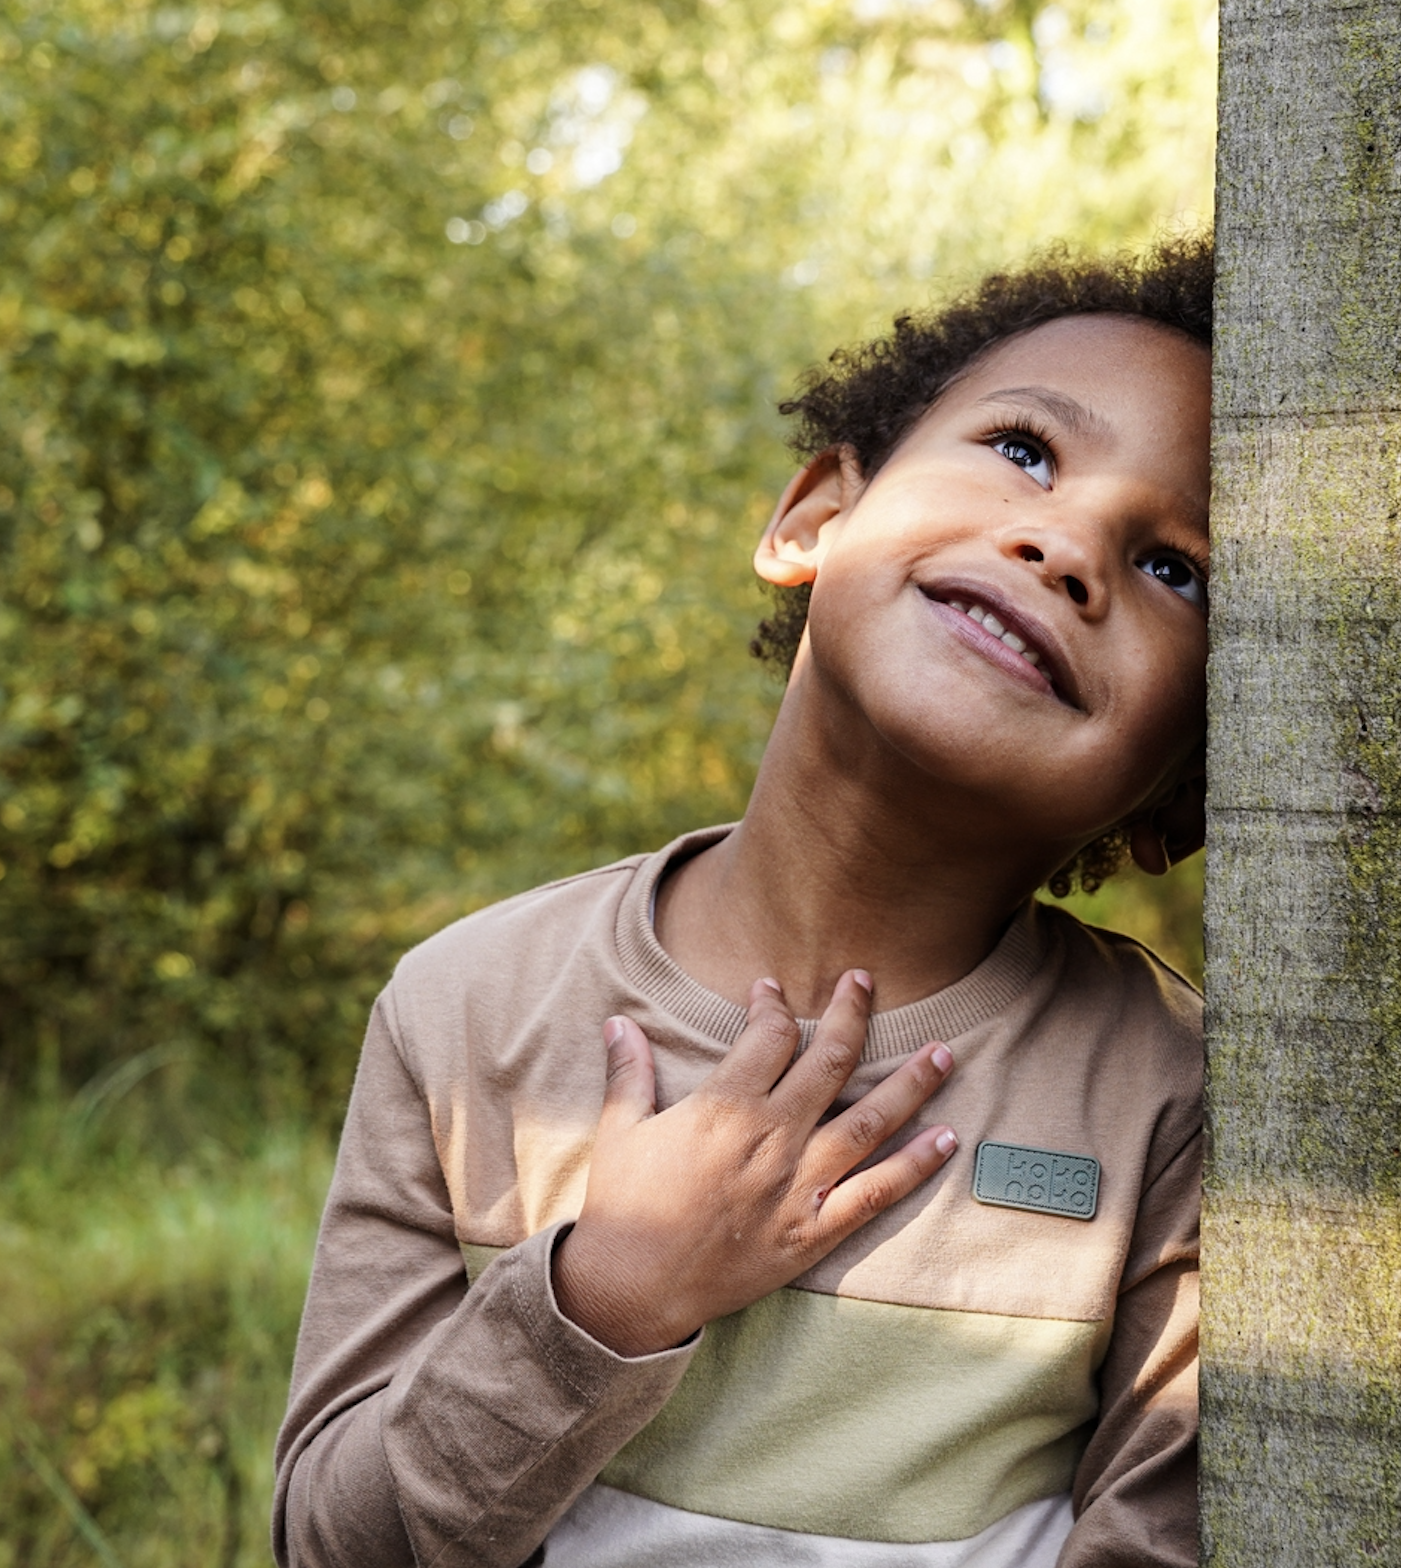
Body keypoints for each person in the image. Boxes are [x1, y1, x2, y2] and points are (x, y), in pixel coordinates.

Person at [274, 237, 1213, 1568]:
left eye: (1176, 565)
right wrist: (604, 1294)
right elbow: (333, 1545)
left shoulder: (1175, 1094)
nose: (1067, 546)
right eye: (1023, 449)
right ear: (813, 518)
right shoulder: (467, 1008)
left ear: (1178, 798)